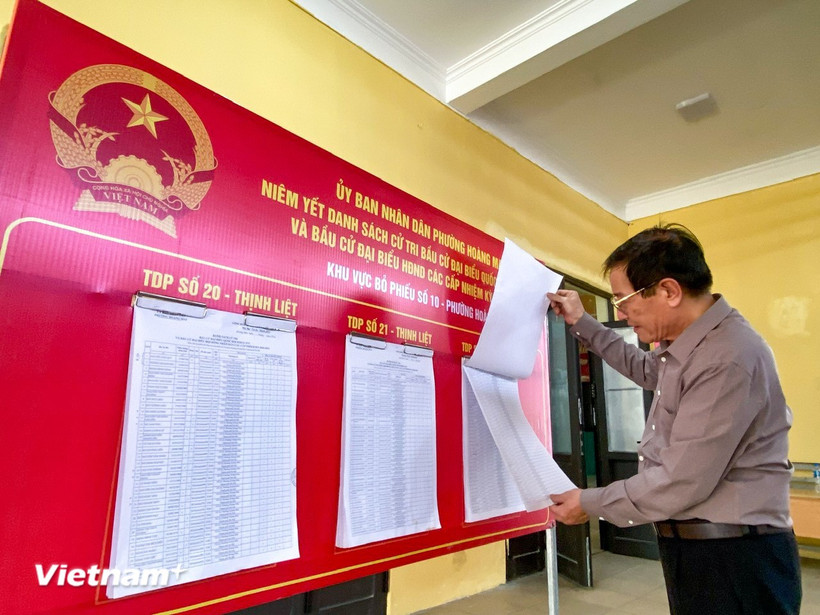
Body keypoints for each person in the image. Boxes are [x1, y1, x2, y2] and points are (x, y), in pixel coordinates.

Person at [546, 224, 801, 615]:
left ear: (668, 291)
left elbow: (682, 481)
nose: (621, 313)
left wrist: (591, 501)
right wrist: (582, 322)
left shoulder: (727, 356)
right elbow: (645, 369)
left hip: (735, 558)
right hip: (702, 548)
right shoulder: (689, 348)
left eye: (623, 300)